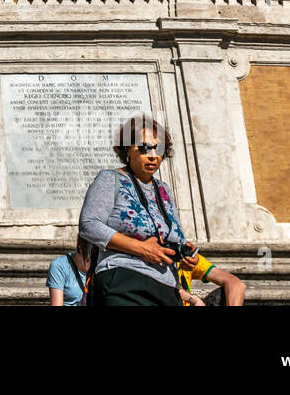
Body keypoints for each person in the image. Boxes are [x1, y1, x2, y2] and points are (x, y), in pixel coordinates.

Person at [78, 114, 193, 305]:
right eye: (144, 147)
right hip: (123, 278)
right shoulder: (109, 178)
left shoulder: (164, 190)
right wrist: (141, 249)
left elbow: (176, 236)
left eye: (159, 149)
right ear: (128, 149)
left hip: (166, 286)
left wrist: (187, 250)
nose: (153, 155)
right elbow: (89, 225)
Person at [178, 251, 246, 306]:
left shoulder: (185, 257)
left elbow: (237, 284)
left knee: (224, 295)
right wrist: (193, 299)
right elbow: (168, 291)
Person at [48, 236, 92, 306]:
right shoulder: (60, 265)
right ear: (80, 249)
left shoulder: (99, 266)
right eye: (88, 260)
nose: (92, 265)